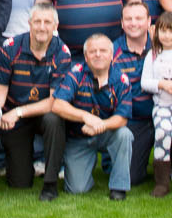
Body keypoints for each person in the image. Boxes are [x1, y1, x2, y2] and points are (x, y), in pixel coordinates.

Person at [0, 0, 72, 200]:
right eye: (37, 22)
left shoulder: (62, 53)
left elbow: (53, 101)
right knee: (19, 182)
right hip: (15, 117)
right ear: (29, 23)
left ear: (55, 26)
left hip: (43, 113)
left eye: (47, 22)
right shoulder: (10, 48)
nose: (42, 27)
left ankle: (50, 183)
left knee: (54, 119)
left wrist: (18, 112)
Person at [53, 33, 132, 201]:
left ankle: (119, 187)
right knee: (77, 189)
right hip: (79, 137)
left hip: (106, 133)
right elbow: (58, 105)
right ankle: (84, 169)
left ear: (111, 55)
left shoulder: (121, 79)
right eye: (93, 51)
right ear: (85, 56)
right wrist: (85, 117)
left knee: (124, 134)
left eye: (103, 51)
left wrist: (99, 125)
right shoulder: (76, 74)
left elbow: (122, 118)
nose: (98, 54)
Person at [109, 0, 156, 186]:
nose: (134, 23)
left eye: (139, 18)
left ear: (149, 22)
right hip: (134, 121)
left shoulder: (163, 45)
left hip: (164, 114)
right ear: (122, 23)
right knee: (132, 177)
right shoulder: (112, 52)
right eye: (128, 19)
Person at [141, 8, 172, 197]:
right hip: (162, 105)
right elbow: (145, 82)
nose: (167, 36)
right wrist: (162, 84)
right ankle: (162, 182)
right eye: (163, 31)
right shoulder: (152, 55)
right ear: (156, 32)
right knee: (163, 133)